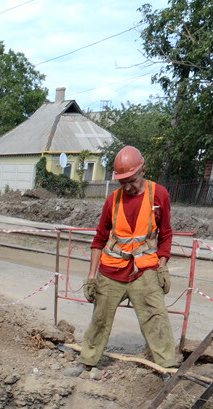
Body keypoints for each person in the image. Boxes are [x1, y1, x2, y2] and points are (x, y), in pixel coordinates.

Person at [79, 146, 177, 377]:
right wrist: (92, 276)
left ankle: (168, 367)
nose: (127, 187)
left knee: (156, 317)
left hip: (145, 270)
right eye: (122, 182)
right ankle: (87, 362)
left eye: (131, 180)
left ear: (142, 170)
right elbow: (99, 239)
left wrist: (162, 266)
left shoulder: (159, 194)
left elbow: (166, 234)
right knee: (100, 319)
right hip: (111, 271)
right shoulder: (113, 201)